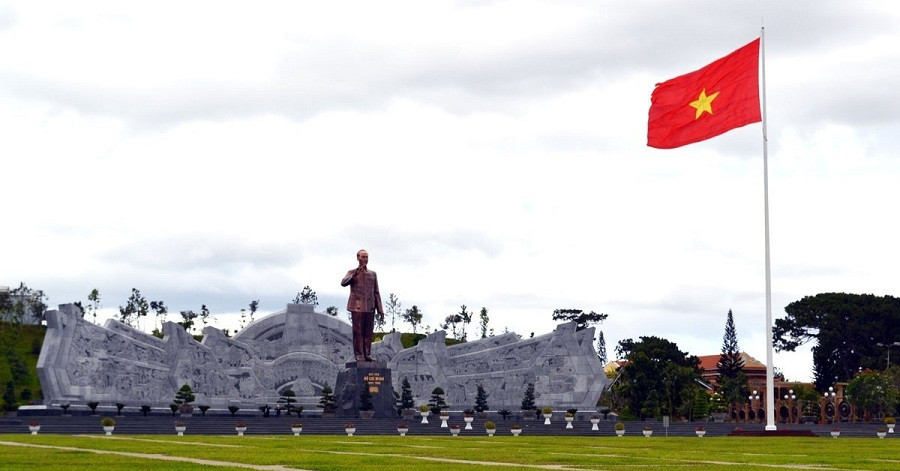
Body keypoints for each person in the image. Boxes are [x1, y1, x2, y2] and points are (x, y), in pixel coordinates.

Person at [341, 249, 385, 362]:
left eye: (367, 257)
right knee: (358, 332)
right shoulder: (352, 272)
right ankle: (359, 355)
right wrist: (355, 273)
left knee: (368, 333)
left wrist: (380, 309)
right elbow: (343, 282)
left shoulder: (373, 274)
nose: (365, 259)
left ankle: (367, 354)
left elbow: (376, 292)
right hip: (357, 306)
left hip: (370, 307)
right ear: (358, 257)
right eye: (363, 257)